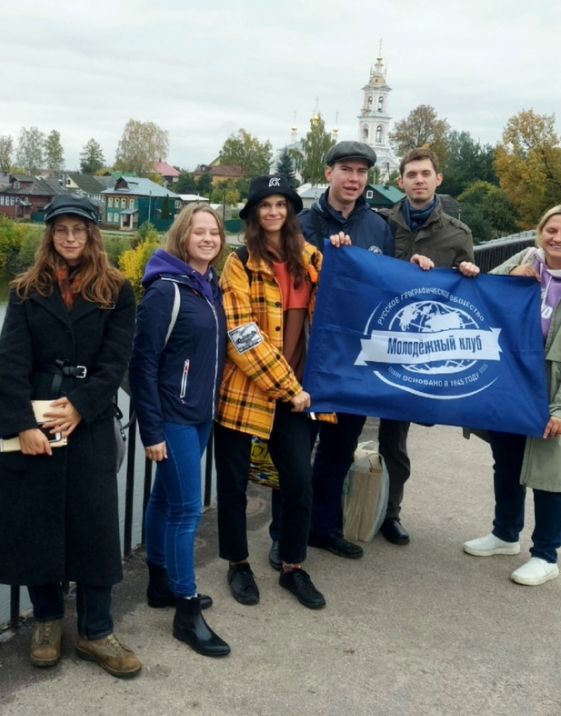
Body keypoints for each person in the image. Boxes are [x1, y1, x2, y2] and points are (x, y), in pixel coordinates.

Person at [0, 194, 140, 678]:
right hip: (37, 415)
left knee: (95, 524)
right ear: (50, 235)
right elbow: (12, 362)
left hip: (89, 419)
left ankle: (96, 631)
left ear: (92, 235)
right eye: (61, 230)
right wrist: (21, 424)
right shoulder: (26, 290)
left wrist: (83, 407)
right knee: (35, 521)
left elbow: (116, 361)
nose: (70, 238)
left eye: (78, 230)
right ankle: (47, 622)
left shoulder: (117, 289)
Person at [463, 203, 561, 586]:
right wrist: (512, 275)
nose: (557, 238)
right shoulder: (528, 258)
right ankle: (505, 534)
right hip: (512, 386)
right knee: (507, 462)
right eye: (550, 230)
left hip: (552, 393)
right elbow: (481, 291)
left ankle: (546, 554)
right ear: (539, 233)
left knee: (550, 475)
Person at [215, 173, 331, 610]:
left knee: (299, 481)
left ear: (292, 212)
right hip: (247, 392)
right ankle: (237, 563)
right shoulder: (239, 262)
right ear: (253, 213)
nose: (274, 212)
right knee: (232, 484)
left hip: (299, 396)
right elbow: (241, 334)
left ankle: (292, 566)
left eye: (281, 205)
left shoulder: (314, 258)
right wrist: (287, 386)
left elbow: (356, 291)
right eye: (265, 205)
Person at [129, 204, 230, 657]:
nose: (208, 239)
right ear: (182, 236)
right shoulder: (165, 290)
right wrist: (151, 431)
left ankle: (159, 584)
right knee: (188, 510)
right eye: (199, 232)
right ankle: (186, 610)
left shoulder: (208, 286)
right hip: (172, 416)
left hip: (200, 413)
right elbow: (142, 364)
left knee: (165, 499)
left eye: (214, 232)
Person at [296, 141, 394, 562]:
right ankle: (288, 533)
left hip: (355, 359)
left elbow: (389, 285)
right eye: (346, 170)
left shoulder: (378, 227)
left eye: (361, 172)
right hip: (309, 355)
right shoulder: (302, 223)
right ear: (329, 172)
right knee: (297, 453)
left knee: (339, 449)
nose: (354, 179)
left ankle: (322, 527)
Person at [378, 148, 475, 546]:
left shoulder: (457, 234)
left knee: (394, 440)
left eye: (425, 174)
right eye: (411, 174)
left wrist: (468, 273)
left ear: (438, 180)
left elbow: (468, 299)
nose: (418, 180)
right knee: (343, 432)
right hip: (374, 342)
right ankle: (336, 508)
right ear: (400, 181)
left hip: (416, 354)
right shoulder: (379, 225)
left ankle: (390, 513)